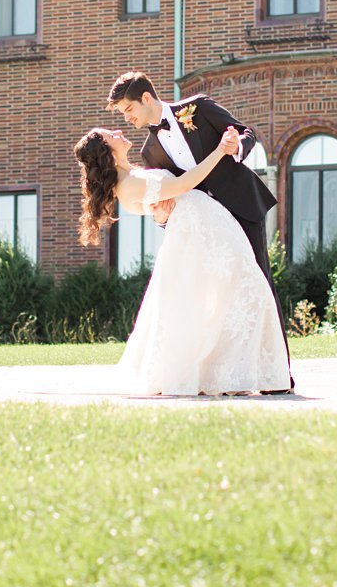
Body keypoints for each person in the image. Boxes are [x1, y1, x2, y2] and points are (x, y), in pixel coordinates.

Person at [105, 70, 295, 391]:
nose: (128, 118)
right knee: (215, 298)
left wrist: (236, 145)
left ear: (146, 98)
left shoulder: (199, 107)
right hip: (206, 226)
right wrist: (162, 217)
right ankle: (226, 371)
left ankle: (276, 374)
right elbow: (168, 194)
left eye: (128, 109)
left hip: (241, 206)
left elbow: (247, 132)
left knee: (258, 283)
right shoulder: (148, 152)